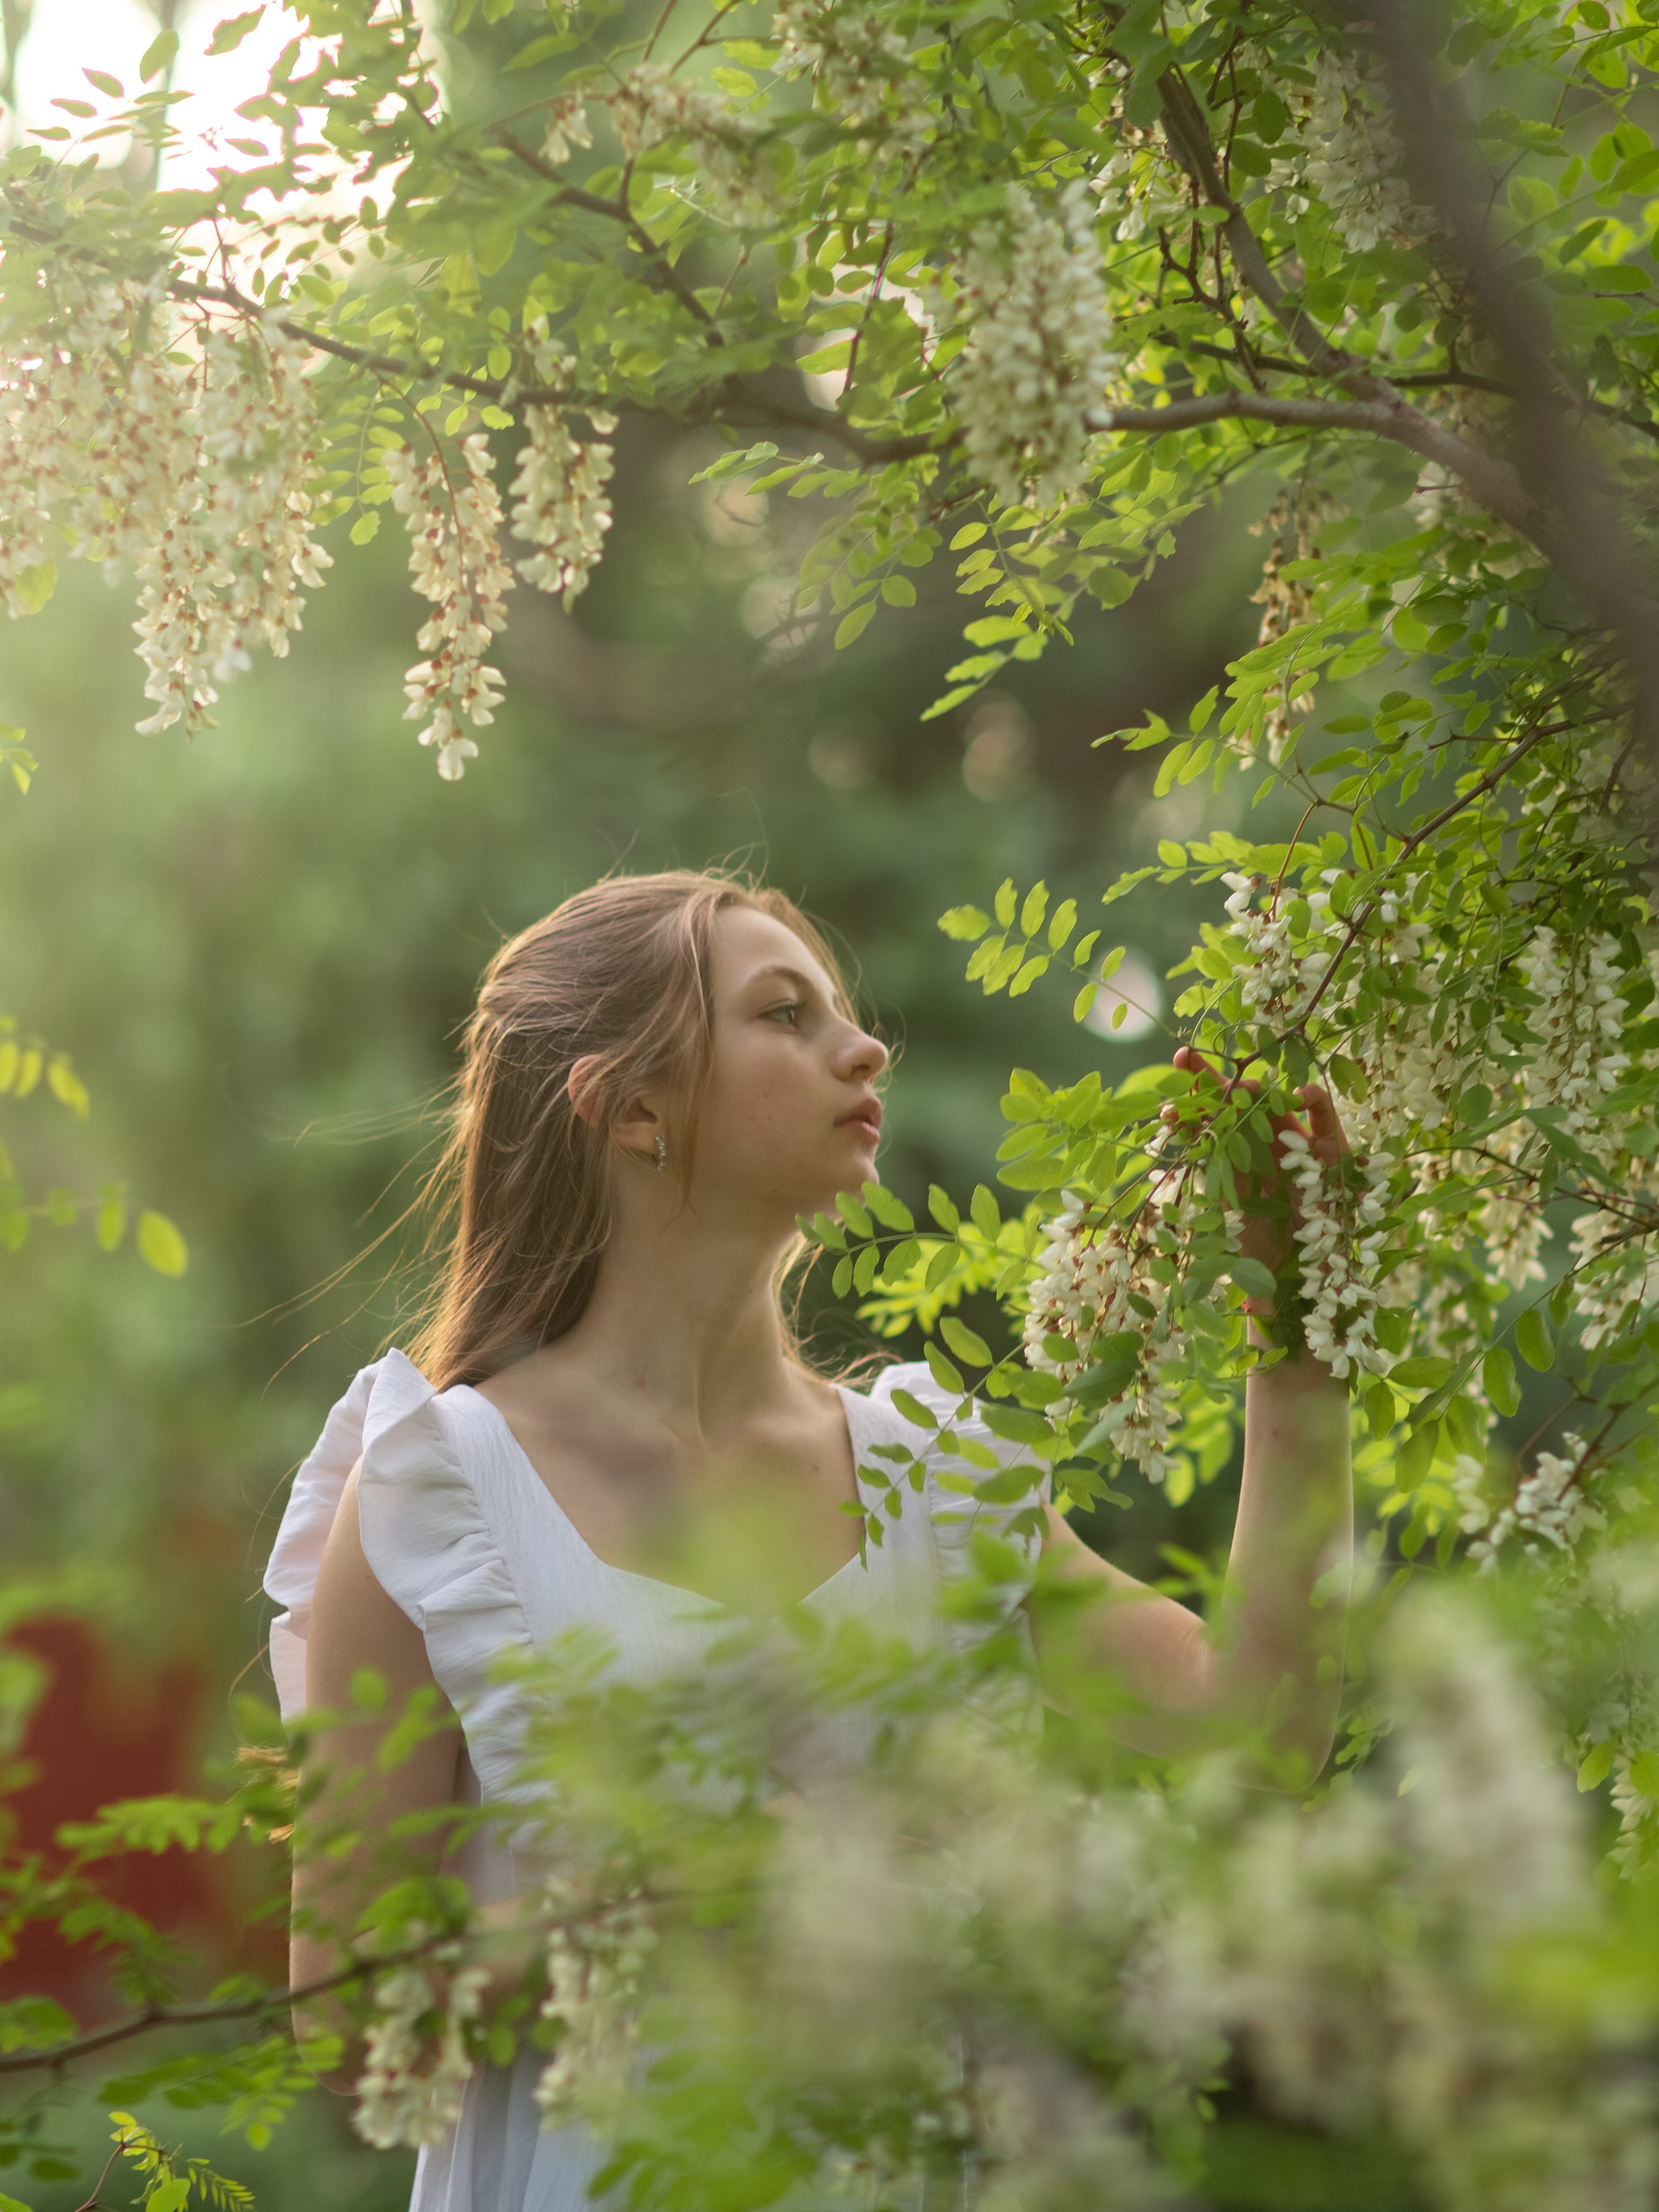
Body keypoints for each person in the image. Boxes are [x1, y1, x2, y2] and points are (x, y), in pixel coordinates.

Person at [264, 868, 1351, 2212]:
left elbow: (1262, 1729)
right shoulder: (435, 1493)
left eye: (841, 1011)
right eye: (786, 1013)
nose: (865, 1046)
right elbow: (345, 2018)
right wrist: (667, 1900)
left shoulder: (937, 1476)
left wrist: (1299, 1334)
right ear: (632, 1108)